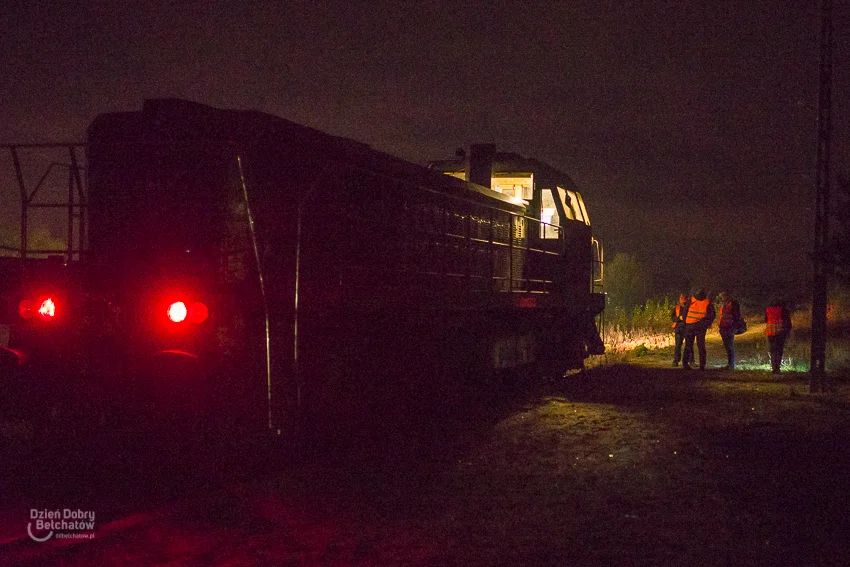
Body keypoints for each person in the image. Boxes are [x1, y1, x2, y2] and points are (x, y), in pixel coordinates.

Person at [682, 289, 715, 370]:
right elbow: (712, 315)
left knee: (688, 345)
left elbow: (684, 313)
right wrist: (706, 324)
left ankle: (685, 364)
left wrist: (685, 322)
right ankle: (702, 366)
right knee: (701, 346)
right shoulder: (707, 302)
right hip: (700, 326)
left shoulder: (691, 300)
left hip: (689, 325)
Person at [765, 299, 792, 374]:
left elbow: (766, 320)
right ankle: (777, 367)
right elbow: (787, 322)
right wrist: (788, 331)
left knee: (773, 350)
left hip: (770, 331)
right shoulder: (784, 310)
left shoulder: (768, 309)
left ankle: (773, 367)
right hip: (780, 331)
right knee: (779, 349)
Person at [716, 291, 741, 370]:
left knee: (729, 346)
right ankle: (730, 363)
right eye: (722, 296)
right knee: (727, 346)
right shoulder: (724, 304)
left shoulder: (733, 303)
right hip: (723, 327)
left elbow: (736, 316)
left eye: (724, 296)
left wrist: (734, 327)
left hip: (730, 326)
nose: (723, 297)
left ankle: (731, 364)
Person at [670, 294, 690, 366]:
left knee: (689, 345)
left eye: (685, 301)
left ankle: (691, 361)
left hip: (688, 328)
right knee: (678, 345)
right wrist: (678, 318)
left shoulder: (690, 308)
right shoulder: (677, 308)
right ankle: (676, 360)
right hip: (679, 329)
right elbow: (672, 317)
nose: (683, 303)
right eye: (682, 301)